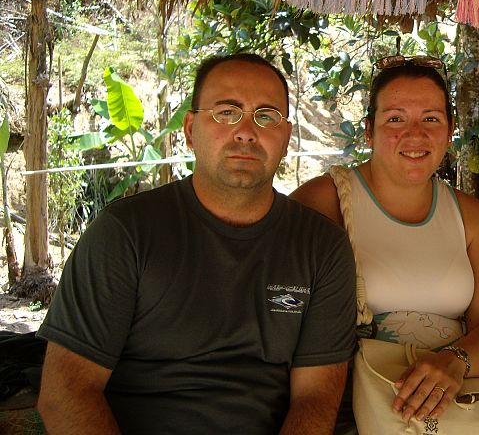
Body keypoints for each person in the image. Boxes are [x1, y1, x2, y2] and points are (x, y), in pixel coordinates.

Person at [36, 53, 357, 434]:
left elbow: (316, 399)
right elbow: (65, 393)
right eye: (226, 112)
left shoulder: (322, 247)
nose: (246, 131)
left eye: (266, 116)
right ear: (190, 129)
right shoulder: (125, 233)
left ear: (286, 138)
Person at [290, 51, 479, 429]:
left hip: (456, 400)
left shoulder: (469, 214)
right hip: (354, 404)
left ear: (449, 129)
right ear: (369, 130)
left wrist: (454, 363)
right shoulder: (324, 201)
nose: (416, 134)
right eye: (395, 119)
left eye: (431, 119)